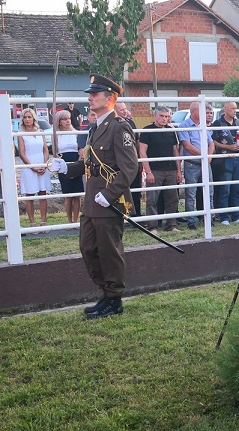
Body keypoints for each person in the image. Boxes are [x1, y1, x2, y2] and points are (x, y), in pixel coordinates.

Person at [50, 73, 138, 319]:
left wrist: (110, 195)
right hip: (92, 200)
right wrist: (67, 168)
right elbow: (91, 164)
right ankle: (106, 292)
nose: (89, 98)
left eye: (94, 94)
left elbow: (129, 168)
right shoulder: (94, 128)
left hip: (109, 201)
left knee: (109, 251)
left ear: (110, 98)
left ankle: (114, 299)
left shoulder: (119, 127)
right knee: (88, 248)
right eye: (89, 94)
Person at [139, 106, 182, 234]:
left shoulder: (171, 130)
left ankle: (171, 225)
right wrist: (148, 172)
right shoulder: (147, 130)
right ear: (155, 116)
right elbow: (142, 152)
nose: (164, 119)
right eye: (162, 116)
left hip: (171, 169)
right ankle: (152, 226)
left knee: (173, 198)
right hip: (155, 170)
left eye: (167, 116)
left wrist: (178, 171)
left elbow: (175, 151)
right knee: (152, 200)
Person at [178, 101, 215, 230]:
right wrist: (204, 155)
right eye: (201, 111)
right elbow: (187, 145)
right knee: (191, 194)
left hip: (205, 163)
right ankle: (191, 221)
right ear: (193, 112)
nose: (205, 113)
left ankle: (209, 218)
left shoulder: (203, 125)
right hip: (192, 164)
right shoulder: (184, 125)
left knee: (209, 192)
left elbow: (211, 143)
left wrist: (208, 155)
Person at [18, 108, 51, 230]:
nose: (27, 119)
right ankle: (32, 222)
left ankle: (43, 221)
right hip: (29, 166)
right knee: (30, 194)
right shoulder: (20, 134)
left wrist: (44, 164)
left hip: (42, 164)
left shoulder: (40, 131)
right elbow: (21, 154)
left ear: (33, 118)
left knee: (42, 193)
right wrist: (33, 168)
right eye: (25, 117)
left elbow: (45, 150)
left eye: (29, 117)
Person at [212, 101, 239, 225]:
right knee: (225, 189)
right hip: (224, 159)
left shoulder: (238, 123)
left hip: (238, 158)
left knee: (237, 188)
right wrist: (229, 147)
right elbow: (213, 141)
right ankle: (223, 216)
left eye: (236, 108)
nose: (235, 111)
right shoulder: (217, 123)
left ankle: (236, 216)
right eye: (232, 108)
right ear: (225, 109)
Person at [54, 109, 84, 223]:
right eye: (64, 119)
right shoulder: (56, 135)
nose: (68, 121)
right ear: (59, 121)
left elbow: (80, 149)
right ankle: (69, 220)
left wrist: (79, 160)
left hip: (75, 163)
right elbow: (55, 152)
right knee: (68, 195)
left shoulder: (76, 133)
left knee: (77, 194)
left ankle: (76, 220)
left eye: (69, 118)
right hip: (63, 163)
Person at [115, 102, 142, 217]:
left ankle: (137, 215)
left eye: (125, 109)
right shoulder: (113, 124)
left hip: (133, 160)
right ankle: (121, 215)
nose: (125, 111)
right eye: (121, 110)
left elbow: (137, 141)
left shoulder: (130, 122)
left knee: (136, 189)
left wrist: (139, 160)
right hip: (119, 163)